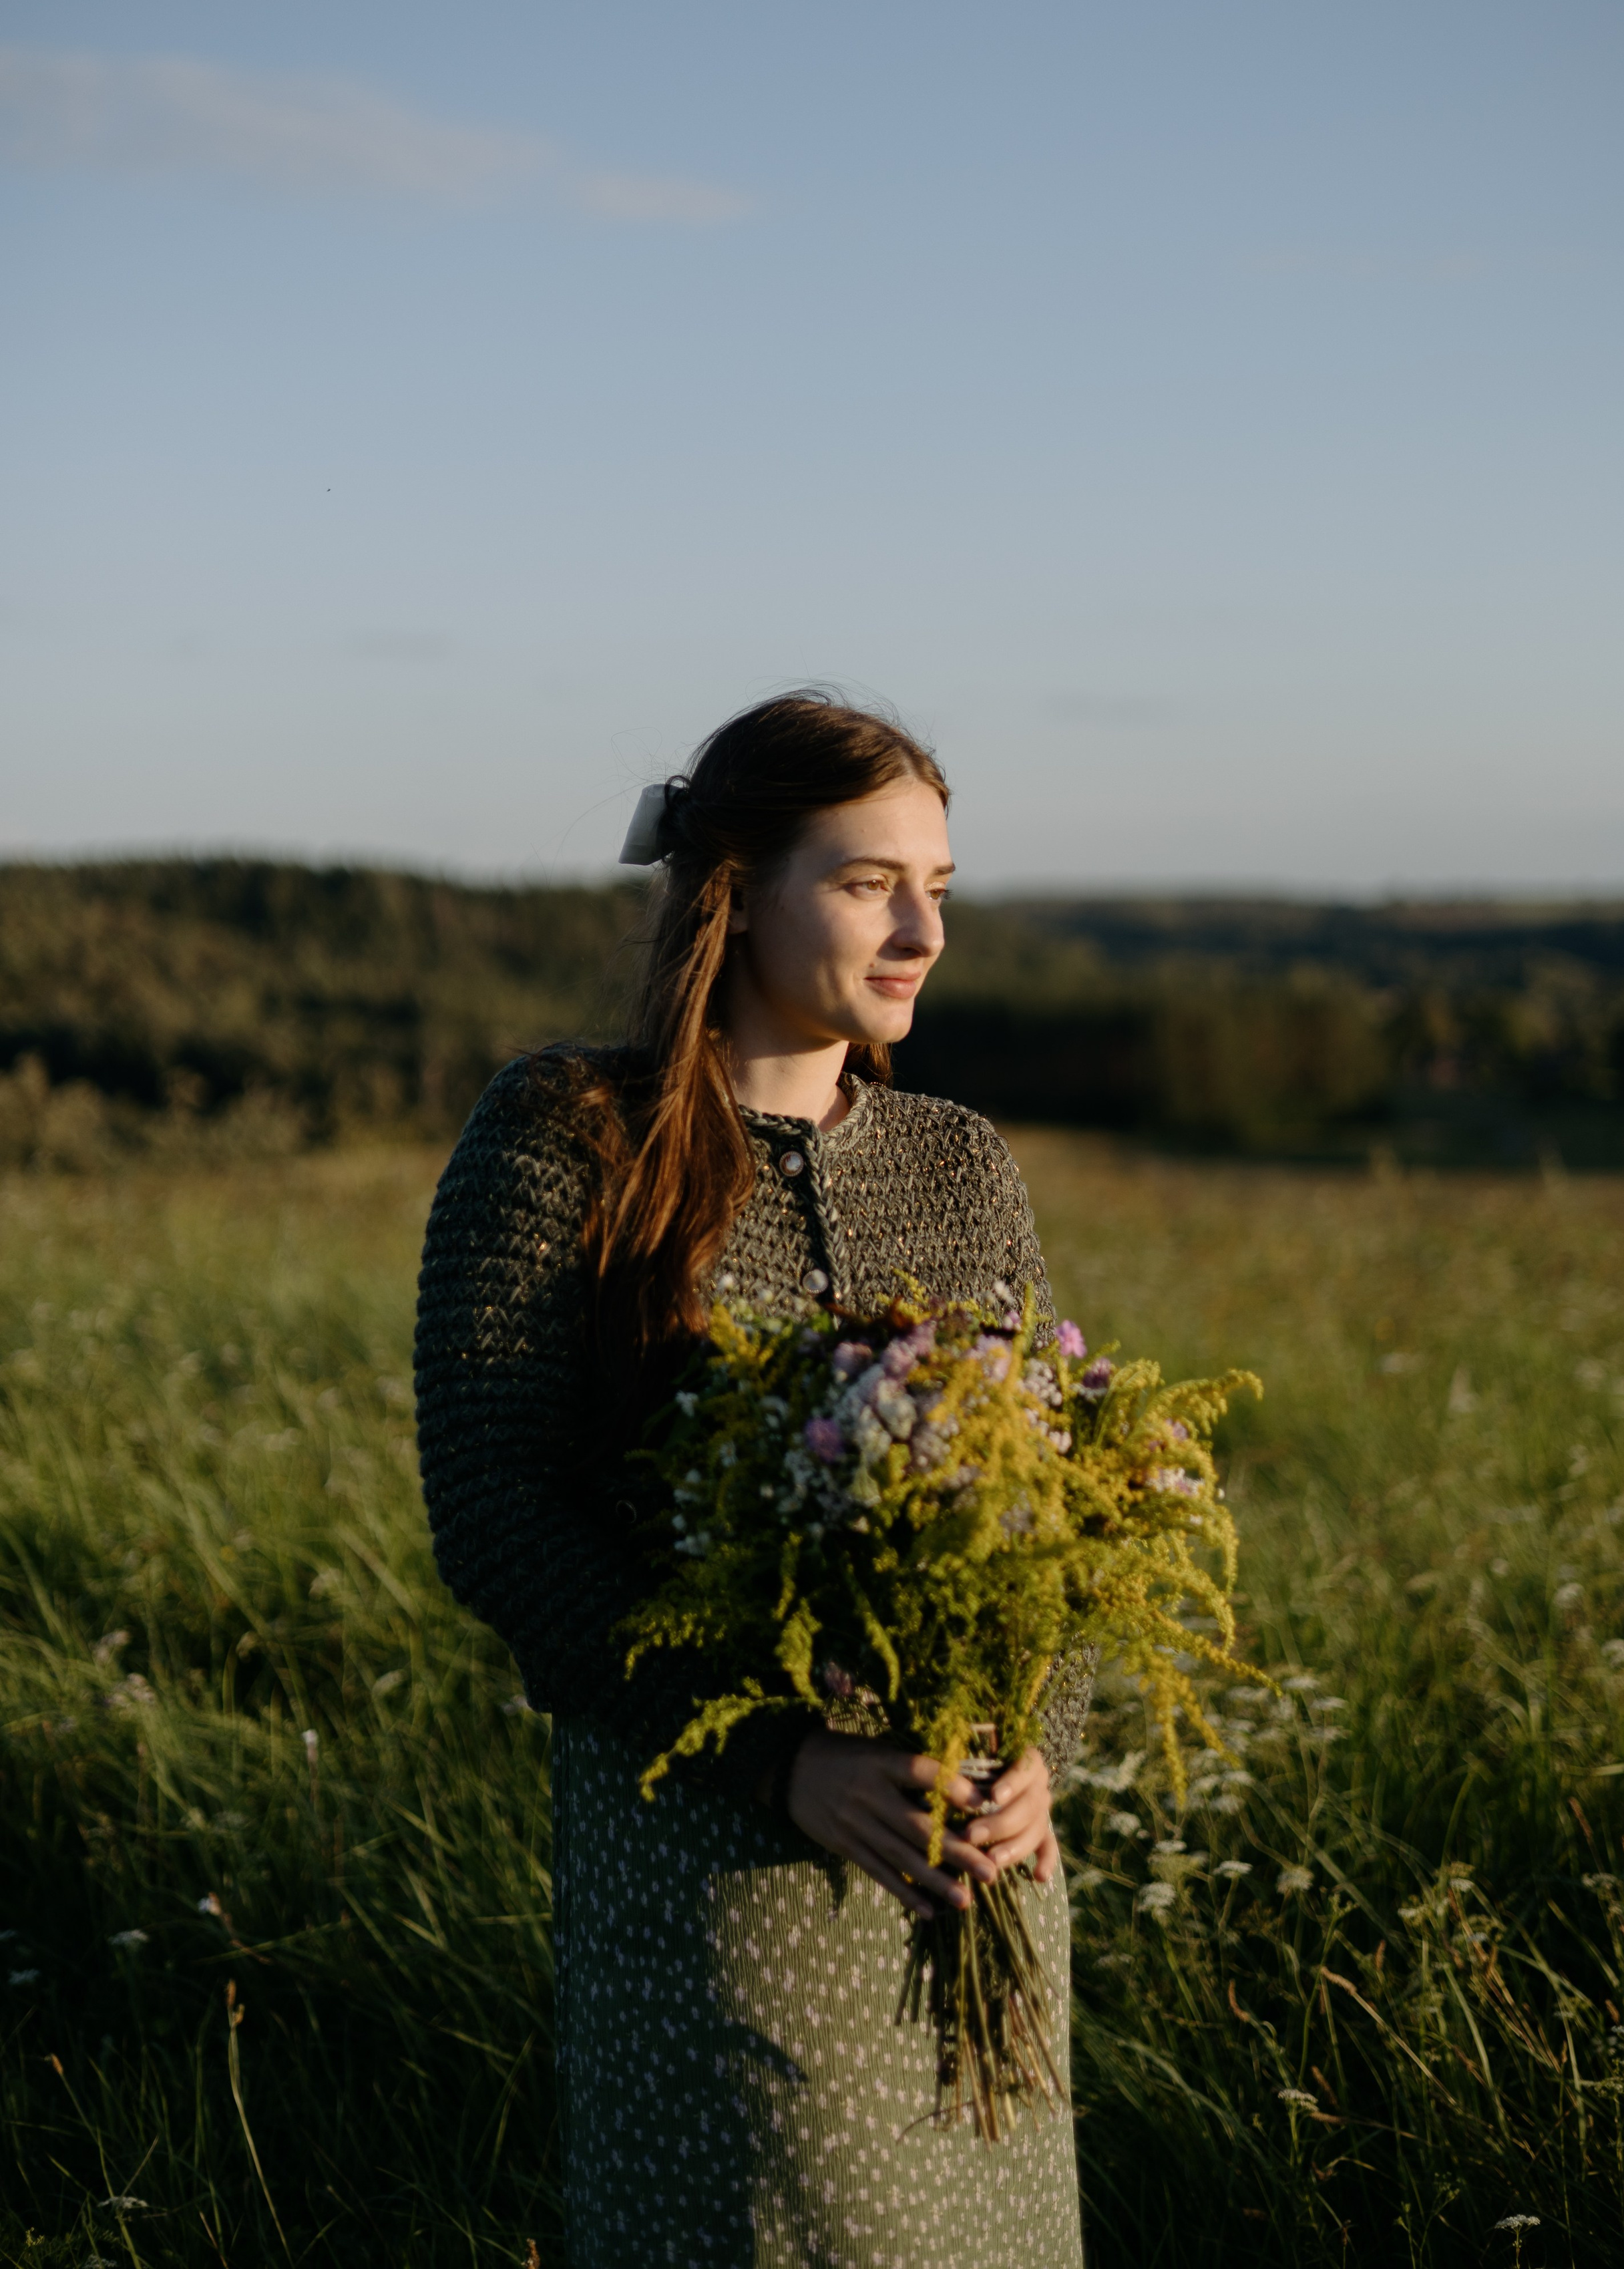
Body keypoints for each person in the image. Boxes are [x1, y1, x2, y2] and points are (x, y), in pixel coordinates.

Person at [413, 693, 1090, 2266]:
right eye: (867, 883)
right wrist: (779, 1756)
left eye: (939, 884)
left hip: (976, 1866)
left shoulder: (957, 1159)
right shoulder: (566, 1136)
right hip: (716, 1880)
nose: (921, 927)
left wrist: (1040, 1747)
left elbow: (1055, 1504)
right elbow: (497, 1511)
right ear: (732, 887)